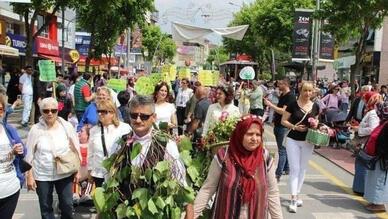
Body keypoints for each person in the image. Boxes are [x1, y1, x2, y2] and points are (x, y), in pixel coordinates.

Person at [188, 115, 282, 219]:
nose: (254, 139)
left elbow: (272, 193)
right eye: (249, 134)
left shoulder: (265, 158)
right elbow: (208, 188)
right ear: (240, 134)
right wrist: (192, 215)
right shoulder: (224, 155)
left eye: (258, 135)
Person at [25, 97, 81, 219]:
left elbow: (76, 148)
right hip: (42, 174)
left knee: (67, 205)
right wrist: (29, 176)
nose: (50, 113)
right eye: (46, 111)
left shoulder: (66, 126)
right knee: (46, 208)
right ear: (41, 112)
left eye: (53, 110)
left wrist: (78, 170)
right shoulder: (35, 130)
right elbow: (29, 154)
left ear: (57, 111)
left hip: (64, 172)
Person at [281, 81, 320, 213]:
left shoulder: (316, 106)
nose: (307, 93)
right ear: (300, 91)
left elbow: (317, 120)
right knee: (294, 169)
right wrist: (295, 127)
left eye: (310, 91)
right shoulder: (293, 104)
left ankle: (297, 194)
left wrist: (316, 124)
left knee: (303, 169)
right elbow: (283, 121)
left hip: (308, 141)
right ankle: (293, 198)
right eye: (305, 90)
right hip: (293, 139)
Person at [87, 100, 131, 187]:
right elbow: (91, 153)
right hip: (99, 173)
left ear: (112, 113)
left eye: (103, 112)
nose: (100, 114)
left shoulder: (125, 128)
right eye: (98, 111)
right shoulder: (94, 130)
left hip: (118, 172)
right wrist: (89, 170)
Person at [264, 77, 296, 182]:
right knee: (284, 149)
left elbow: (283, 111)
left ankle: (277, 174)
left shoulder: (291, 96)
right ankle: (287, 168)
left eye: (280, 83)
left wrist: (270, 105)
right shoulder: (283, 95)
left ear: (286, 84)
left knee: (281, 150)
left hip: (284, 126)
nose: (278, 85)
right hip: (278, 124)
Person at [0, 94, 26, 219]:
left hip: (10, 189)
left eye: (0, 110)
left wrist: (18, 151)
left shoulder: (9, 129)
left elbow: (24, 152)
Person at [351, 92, 382, 195]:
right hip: (366, 142)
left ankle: (361, 189)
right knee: (361, 164)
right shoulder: (370, 111)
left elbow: (373, 129)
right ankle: (360, 188)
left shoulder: (373, 113)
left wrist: (359, 129)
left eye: (365, 99)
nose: (363, 101)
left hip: (367, 142)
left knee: (362, 164)